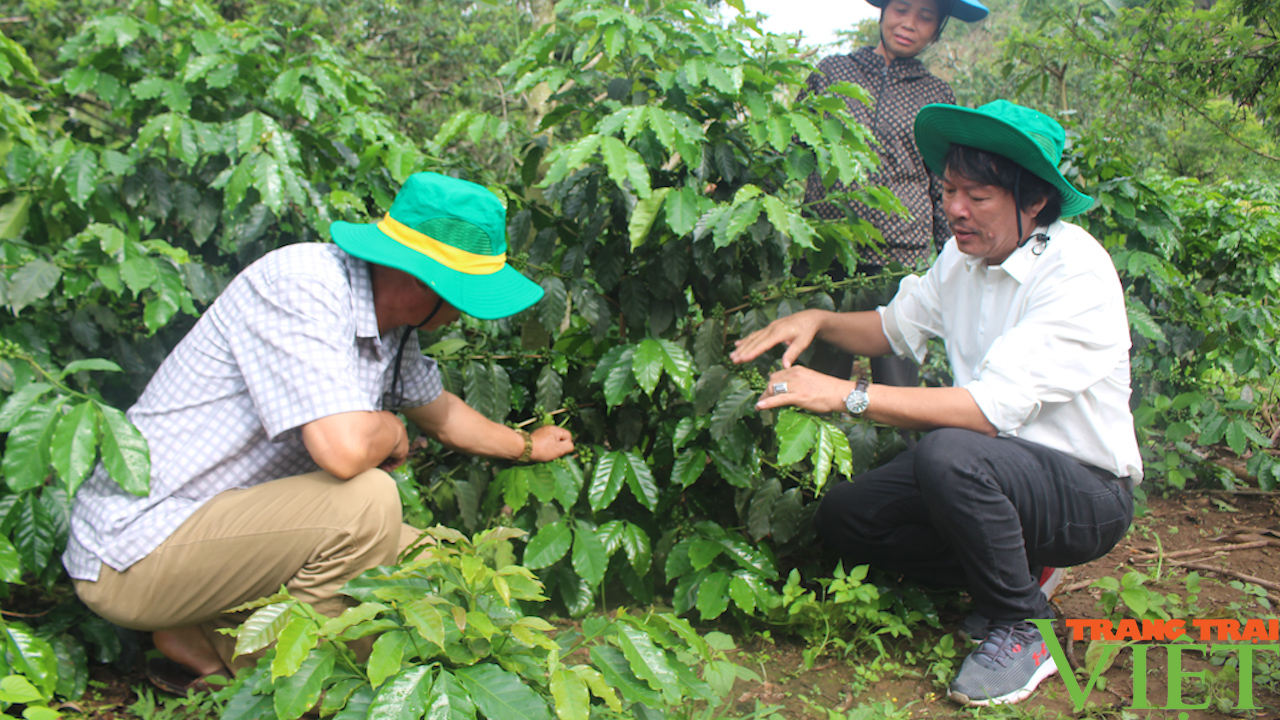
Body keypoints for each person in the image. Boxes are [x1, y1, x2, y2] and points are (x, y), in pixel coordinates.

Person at [63, 171, 575, 693]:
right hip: (138, 550)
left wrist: (528, 445)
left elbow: (440, 413)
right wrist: (389, 429)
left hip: (220, 535)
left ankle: (204, 641)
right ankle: (287, 685)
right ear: (426, 281)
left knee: (438, 563)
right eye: (468, 293)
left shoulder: (391, 328)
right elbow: (346, 452)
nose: (469, 312)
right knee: (367, 502)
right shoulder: (303, 286)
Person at [732, 100, 1141, 707]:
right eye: (949, 190)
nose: (955, 209)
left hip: (1084, 491)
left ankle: (1025, 624)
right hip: (993, 465)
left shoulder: (1075, 272)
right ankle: (1014, 570)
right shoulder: (964, 257)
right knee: (847, 515)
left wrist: (846, 394)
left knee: (949, 453)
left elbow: (987, 411)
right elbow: (893, 328)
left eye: (977, 195)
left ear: (1033, 202)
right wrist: (816, 319)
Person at [801, 0, 987, 389]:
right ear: (883, 11)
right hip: (826, 249)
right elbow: (794, 144)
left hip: (899, 259)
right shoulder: (833, 71)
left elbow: (942, 183)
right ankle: (807, 448)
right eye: (901, 8)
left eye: (925, 17)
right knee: (816, 368)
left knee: (896, 384)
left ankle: (897, 451)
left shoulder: (936, 95)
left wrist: (954, 257)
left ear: (937, 31)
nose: (909, 24)